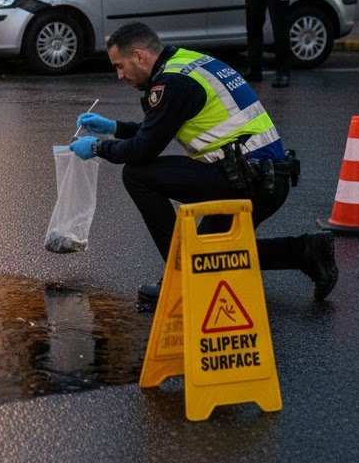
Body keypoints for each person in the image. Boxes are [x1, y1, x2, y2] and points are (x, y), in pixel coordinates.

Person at [68, 21, 337, 304]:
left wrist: (99, 147)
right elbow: (159, 128)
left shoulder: (172, 83)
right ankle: (308, 251)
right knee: (207, 257)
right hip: (262, 176)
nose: (119, 75)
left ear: (139, 56)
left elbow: (142, 151)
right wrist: (114, 128)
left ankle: (178, 275)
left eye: (120, 66)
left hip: (248, 178)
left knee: (137, 175)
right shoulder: (187, 63)